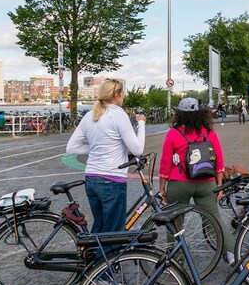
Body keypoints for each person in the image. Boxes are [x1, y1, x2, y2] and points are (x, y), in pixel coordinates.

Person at [158, 97, 233, 264]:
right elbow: (219, 160)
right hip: (206, 183)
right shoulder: (209, 132)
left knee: (175, 224)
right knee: (215, 219)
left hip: (179, 183)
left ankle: (176, 262)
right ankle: (232, 254)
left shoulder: (173, 134)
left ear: (179, 114)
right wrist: (219, 185)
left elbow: (165, 163)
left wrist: (162, 187)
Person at [66, 78, 145, 234]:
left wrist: (98, 147)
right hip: (111, 179)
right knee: (113, 233)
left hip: (91, 177)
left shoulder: (89, 115)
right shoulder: (118, 114)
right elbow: (137, 150)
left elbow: (71, 147)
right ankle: (106, 258)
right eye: (123, 93)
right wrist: (141, 124)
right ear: (116, 94)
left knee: (101, 226)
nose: (124, 96)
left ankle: (93, 257)